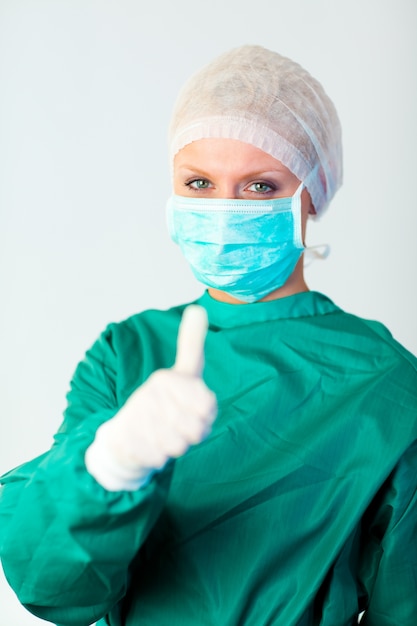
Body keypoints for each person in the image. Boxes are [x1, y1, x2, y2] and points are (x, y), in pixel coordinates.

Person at [0, 44, 416, 626]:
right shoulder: (128, 352)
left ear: (313, 194)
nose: (225, 210)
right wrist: (112, 468)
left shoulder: (390, 386)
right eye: (198, 183)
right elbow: (56, 592)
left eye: (260, 187)